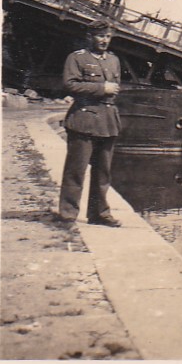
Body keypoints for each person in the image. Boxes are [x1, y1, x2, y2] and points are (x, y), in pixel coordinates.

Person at [54, 19, 123, 227]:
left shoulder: (113, 60)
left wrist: (109, 91)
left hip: (107, 121)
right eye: (100, 36)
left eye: (108, 36)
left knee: (103, 172)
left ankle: (99, 214)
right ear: (90, 37)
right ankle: (67, 214)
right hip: (83, 120)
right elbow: (70, 84)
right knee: (76, 170)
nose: (104, 40)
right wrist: (102, 89)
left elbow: (116, 86)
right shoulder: (77, 58)